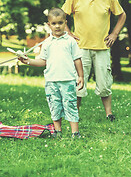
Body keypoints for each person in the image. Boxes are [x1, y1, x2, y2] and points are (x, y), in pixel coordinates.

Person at [62, 0, 126, 121]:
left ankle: (109, 114)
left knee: (104, 84)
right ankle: (74, 115)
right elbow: (61, 15)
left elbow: (122, 15)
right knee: (78, 84)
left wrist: (114, 34)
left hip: (102, 48)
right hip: (80, 48)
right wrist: (68, 33)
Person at [19, 8, 84, 138]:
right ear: (49, 25)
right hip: (51, 81)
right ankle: (57, 131)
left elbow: (77, 59)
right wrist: (27, 61)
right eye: (54, 23)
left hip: (67, 80)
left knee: (70, 105)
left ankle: (75, 133)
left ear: (65, 23)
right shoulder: (47, 42)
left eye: (60, 23)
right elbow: (42, 61)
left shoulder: (70, 41)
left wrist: (81, 76)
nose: (57, 26)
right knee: (55, 106)